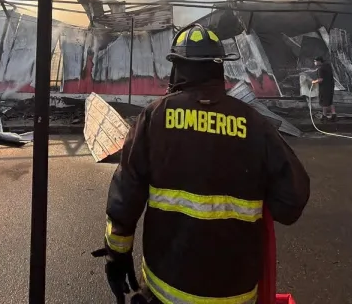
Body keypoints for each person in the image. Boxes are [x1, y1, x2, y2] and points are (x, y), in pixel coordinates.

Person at [95, 24, 311, 304]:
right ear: (218, 69)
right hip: (237, 291)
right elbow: (291, 202)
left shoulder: (155, 118)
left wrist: (117, 254)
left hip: (168, 288)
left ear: (178, 68)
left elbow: (125, 197)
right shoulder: (254, 124)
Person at [311, 56, 336, 121]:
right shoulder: (328, 66)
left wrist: (314, 81)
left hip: (324, 87)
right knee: (330, 101)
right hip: (330, 86)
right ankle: (334, 114)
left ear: (319, 61)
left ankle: (324, 116)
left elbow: (321, 80)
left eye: (315, 61)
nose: (314, 62)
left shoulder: (320, 69)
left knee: (324, 101)